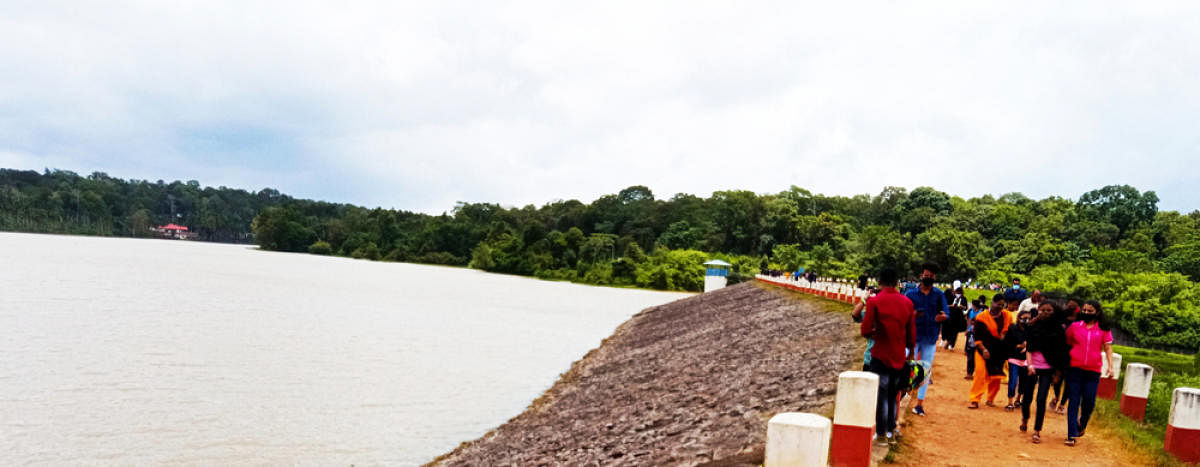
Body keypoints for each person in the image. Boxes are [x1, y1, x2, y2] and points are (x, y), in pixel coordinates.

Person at [861, 268, 916, 445]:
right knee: (894, 394)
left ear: (880, 282)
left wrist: (876, 332)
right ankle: (892, 429)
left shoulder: (874, 302)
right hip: (899, 355)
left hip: (880, 355)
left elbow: (865, 330)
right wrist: (910, 354)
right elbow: (911, 335)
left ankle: (881, 433)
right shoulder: (907, 303)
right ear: (897, 283)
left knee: (881, 394)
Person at [1064, 300, 1115, 447]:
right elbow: (1067, 343)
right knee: (1073, 401)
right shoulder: (1074, 327)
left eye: (1089, 311)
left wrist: (1111, 366)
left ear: (1097, 312)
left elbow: (1108, 348)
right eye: (1084, 310)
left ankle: (1082, 422)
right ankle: (1071, 434)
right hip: (1075, 369)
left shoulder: (1104, 329)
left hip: (1093, 371)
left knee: (1089, 402)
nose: (1086, 313)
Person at [906, 262, 948, 417]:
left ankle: (920, 404)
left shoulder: (939, 294)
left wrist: (942, 316)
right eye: (926, 275)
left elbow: (946, 313)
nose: (928, 277)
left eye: (931, 276)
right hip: (913, 336)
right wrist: (913, 315)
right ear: (921, 276)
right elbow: (903, 313)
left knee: (926, 371)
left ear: (934, 277)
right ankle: (906, 392)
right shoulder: (910, 294)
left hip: (930, 337)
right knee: (908, 366)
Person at [1024, 300, 1068, 444]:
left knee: (1041, 399)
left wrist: (1058, 373)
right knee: (1027, 397)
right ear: (1038, 310)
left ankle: (1037, 430)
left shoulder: (1059, 330)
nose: (1045, 313)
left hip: (1048, 369)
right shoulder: (1032, 326)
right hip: (1032, 367)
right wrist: (1030, 366)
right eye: (1042, 310)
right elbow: (1029, 349)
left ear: (1054, 312)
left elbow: (1061, 353)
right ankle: (1025, 418)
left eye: (1049, 310)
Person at [969, 294, 1011, 409]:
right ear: (992, 302)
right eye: (998, 304)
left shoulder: (1007, 316)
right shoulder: (981, 317)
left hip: (998, 351)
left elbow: (1008, 330)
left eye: (1002, 305)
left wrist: (1004, 335)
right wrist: (984, 350)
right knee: (980, 373)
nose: (1000, 307)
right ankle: (975, 399)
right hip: (982, 349)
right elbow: (977, 338)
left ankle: (990, 399)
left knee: (995, 376)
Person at [1050, 297, 1082, 414]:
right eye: (1069, 306)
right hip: (1059, 352)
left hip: (1074, 354)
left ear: (1077, 309)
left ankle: (1062, 404)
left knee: (1069, 380)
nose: (1070, 308)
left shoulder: (1080, 322)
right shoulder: (1061, 318)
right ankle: (1057, 396)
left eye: (1073, 307)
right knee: (1056, 379)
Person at [1004, 309, 1033, 411]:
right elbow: (1006, 343)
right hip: (1014, 358)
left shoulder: (1030, 330)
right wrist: (1018, 346)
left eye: (1029, 318)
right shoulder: (1012, 328)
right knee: (1012, 381)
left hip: (1026, 360)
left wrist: (1027, 346)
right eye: (1024, 318)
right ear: (1019, 318)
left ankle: (1018, 399)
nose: (1027, 320)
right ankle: (1010, 402)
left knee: (1023, 382)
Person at [963, 299, 984, 379]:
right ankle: (969, 373)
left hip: (978, 335)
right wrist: (967, 329)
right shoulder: (971, 311)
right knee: (970, 355)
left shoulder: (982, 314)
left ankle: (975, 372)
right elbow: (968, 320)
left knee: (977, 355)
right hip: (971, 333)